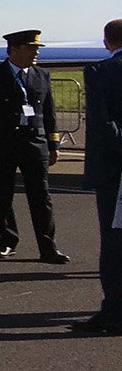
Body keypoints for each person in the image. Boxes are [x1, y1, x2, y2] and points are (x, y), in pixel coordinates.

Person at [0, 29, 71, 264]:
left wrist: (53, 143)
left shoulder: (41, 75)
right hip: (2, 144)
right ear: (13, 50)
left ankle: (48, 247)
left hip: (34, 144)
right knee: (2, 195)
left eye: (36, 48)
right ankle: (7, 241)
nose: (35, 52)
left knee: (41, 197)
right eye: (30, 48)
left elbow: (49, 112)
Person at [74, 19, 122, 334]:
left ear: (106, 42)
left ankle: (114, 312)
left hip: (115, 171)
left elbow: (102, 128)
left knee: (115, 243)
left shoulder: (100, 73)